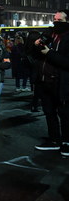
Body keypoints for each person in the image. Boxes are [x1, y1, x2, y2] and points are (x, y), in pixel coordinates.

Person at [33, 10, 69, 155]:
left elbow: (67, 62)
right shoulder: (51, 35)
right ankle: (54, 140)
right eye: (54, 19)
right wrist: (37, 45)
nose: (55, 22)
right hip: (45, 82)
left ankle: (67, 143)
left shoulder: (67, 39)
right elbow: (35, 55)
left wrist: (49, 53)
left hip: (61, 84)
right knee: (49, 112)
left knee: (65, 114)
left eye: (59, 20)